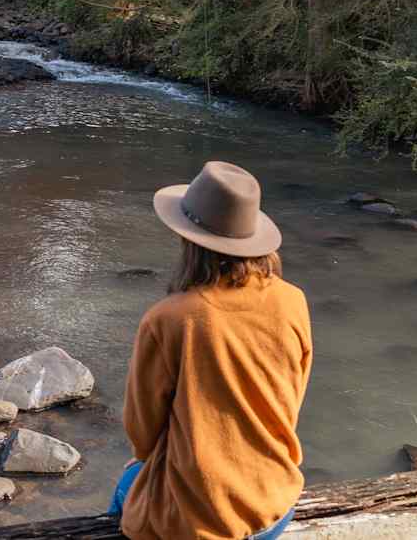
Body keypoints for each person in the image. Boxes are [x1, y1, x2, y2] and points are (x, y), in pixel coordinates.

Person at [109, 161, 313, 540]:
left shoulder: (169, 319)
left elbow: (142, 434)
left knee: (127, 487)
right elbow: (291, 398)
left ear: (189, 240)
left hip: (201, 524)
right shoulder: (293, 300)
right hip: (275, 503)